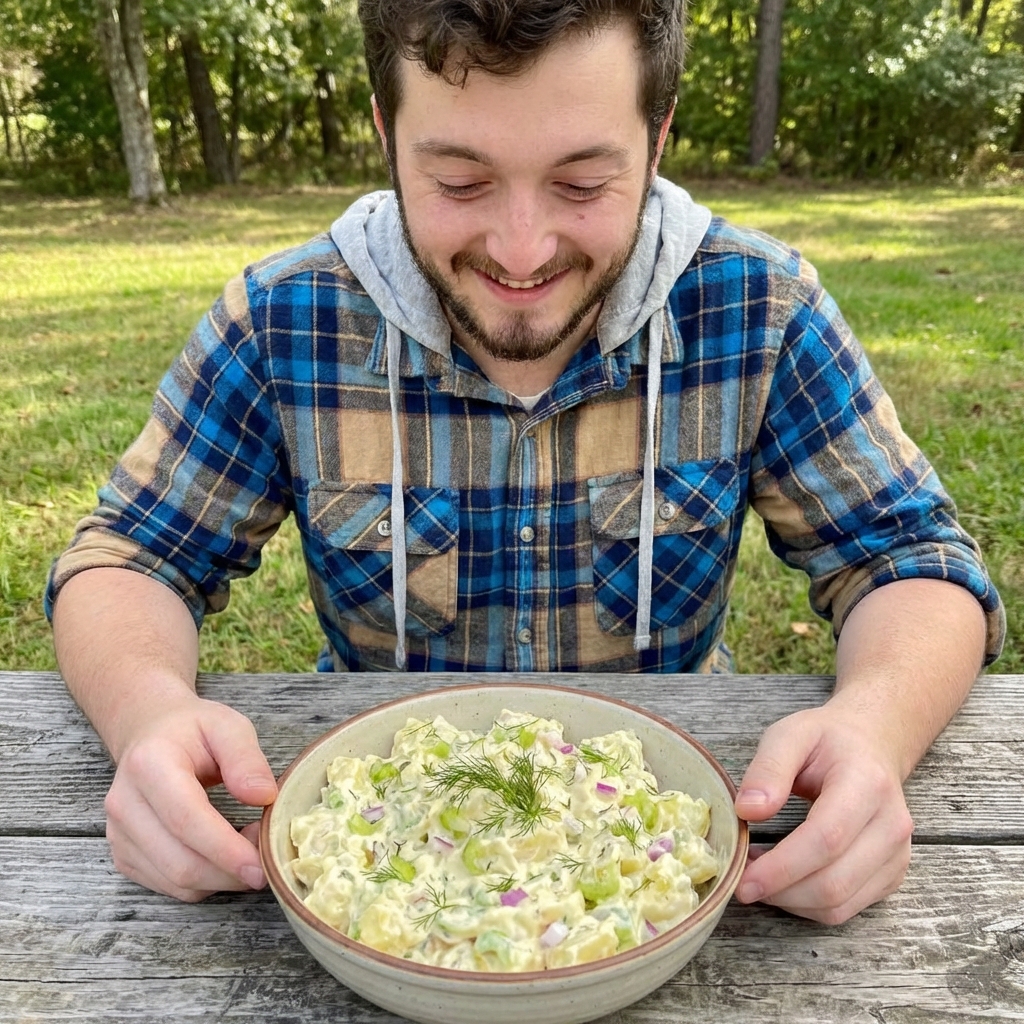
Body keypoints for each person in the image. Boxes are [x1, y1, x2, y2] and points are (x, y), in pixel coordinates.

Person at [48, 0, 1003, 923]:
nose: (521, 250)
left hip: (682, 848)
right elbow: (129, 557)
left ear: (658, 136)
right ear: (386, 133)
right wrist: (149, 717)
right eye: (459, 182)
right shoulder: (280, 321)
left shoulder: (760, 309)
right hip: (382, 852)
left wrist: (874, 728)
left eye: (583, 183)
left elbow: (912, 560)